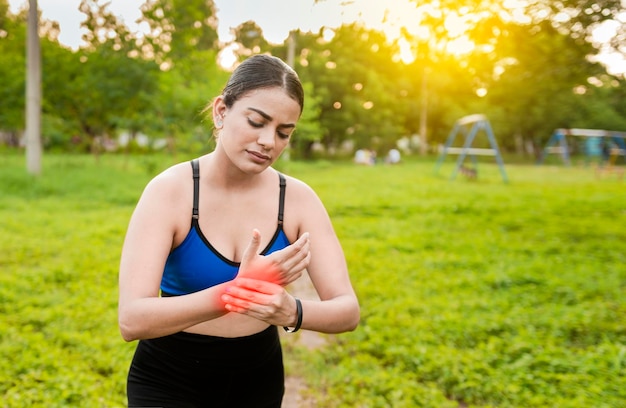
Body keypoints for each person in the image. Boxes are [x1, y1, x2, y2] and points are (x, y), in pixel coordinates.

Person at [118, 54, 360, 408]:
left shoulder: (297, 200)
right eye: (256, 121)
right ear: (221, 111)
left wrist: (290, 310)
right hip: (169, 379)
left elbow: (347, 310)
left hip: (256, 378)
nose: (268, 142)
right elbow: (132, 319)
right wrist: (239, 292)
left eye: (283, 132)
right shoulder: (171, 191)